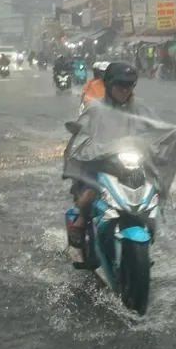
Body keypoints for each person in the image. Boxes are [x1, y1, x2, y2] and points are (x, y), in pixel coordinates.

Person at [64, 62, 152, 249]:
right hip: (100, 160)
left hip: (128, 160)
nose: (125, 90)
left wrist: (156, 146)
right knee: (91, 191)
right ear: (109, 84)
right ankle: (80, 222)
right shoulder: (94, 107)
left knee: (152, 188)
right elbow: (81, 133)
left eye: (129, 86)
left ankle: (148, 225)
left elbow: (151, 129)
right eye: (120, 85)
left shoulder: (139, 107)